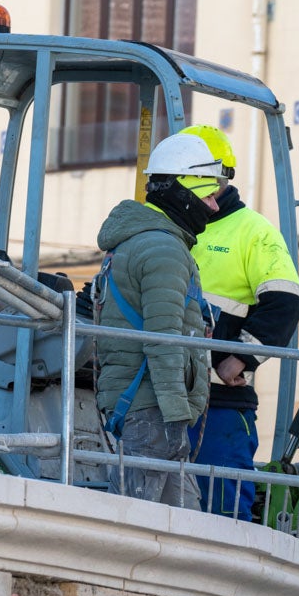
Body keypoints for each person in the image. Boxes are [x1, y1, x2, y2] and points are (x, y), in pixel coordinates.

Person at [93, 132, 224, 510]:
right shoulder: (163, 248)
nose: (214, 207)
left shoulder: (144, 241)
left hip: (149, 407)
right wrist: (177, 414)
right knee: (138, 524)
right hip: (153, 410)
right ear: (183, 192)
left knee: (183, 532)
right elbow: (164, 337)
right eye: (209, 195)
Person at [180, 124, 299, 521]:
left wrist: (241, 357)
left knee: (223, 517)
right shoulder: (168, 229)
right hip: (159, 398)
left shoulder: (253, 232)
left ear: (219, 179)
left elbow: (285, 302)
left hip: (219, 404)